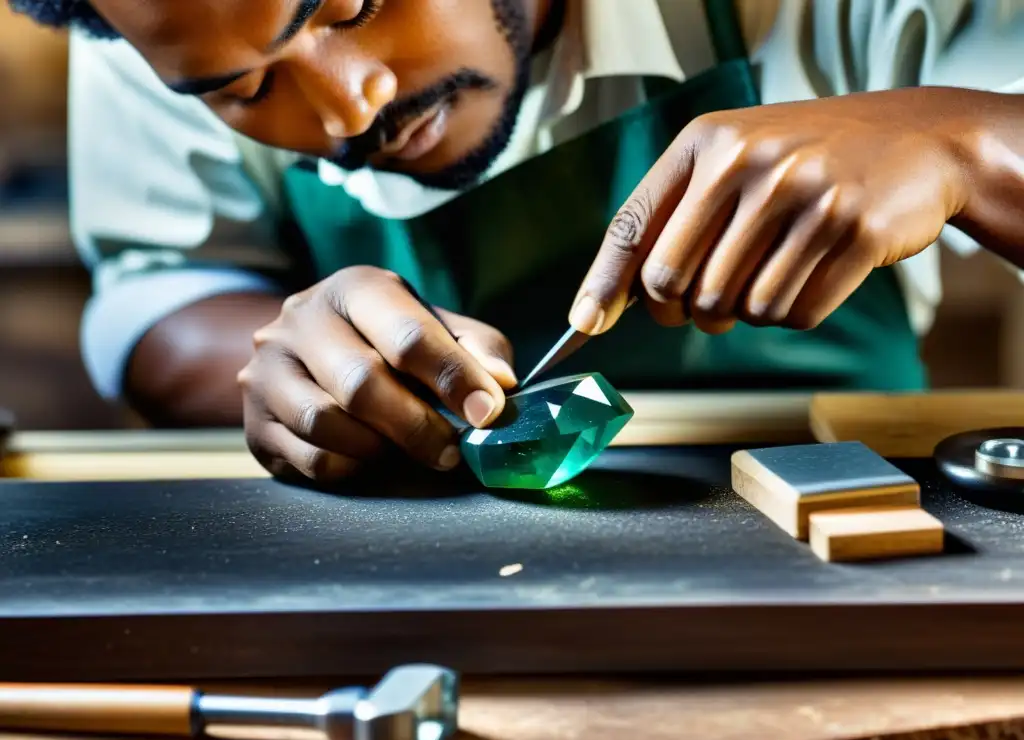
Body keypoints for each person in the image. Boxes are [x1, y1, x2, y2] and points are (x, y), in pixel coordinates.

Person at [9, 0, 1024, 484]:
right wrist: (299, 368)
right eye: (245, 89)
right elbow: (159, 295)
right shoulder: (156, 28)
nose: (348, 107)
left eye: (353, 5)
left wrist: (966, 146)